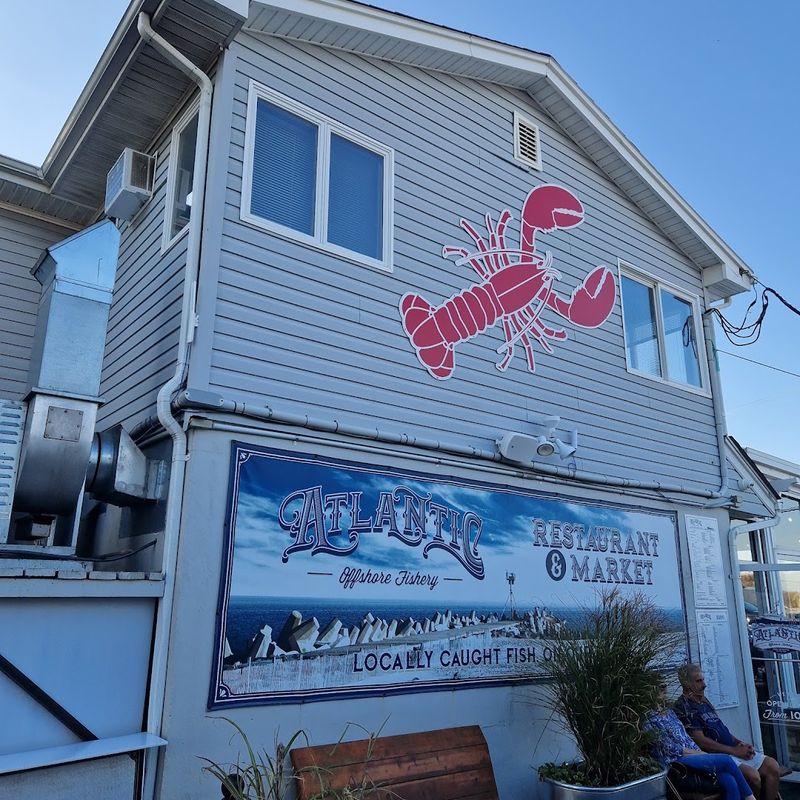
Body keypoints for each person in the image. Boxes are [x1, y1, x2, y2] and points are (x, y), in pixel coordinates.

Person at [674, 664, 784, 800]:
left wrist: (740, 743)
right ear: (686, 683)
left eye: (703, 680)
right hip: (717, 756)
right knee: (753, 776)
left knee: (772, 766)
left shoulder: (704, 702)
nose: (704, 685)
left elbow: (721, 729)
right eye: (699, 681)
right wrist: (734, 751)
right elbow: (701, 741)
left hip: (732, 750)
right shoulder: (684, 707)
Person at [646, 681, 756, 800]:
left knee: (729, 780)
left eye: (664, 687)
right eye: (660, 688)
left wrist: (699, 753)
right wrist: (699, 753)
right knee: (727, 760)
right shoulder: (648, 718)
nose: (664, 691)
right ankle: (751, 798)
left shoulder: (669, 712)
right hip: (675, 762)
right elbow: (668, 747)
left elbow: (685, 737)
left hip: (692, 755)